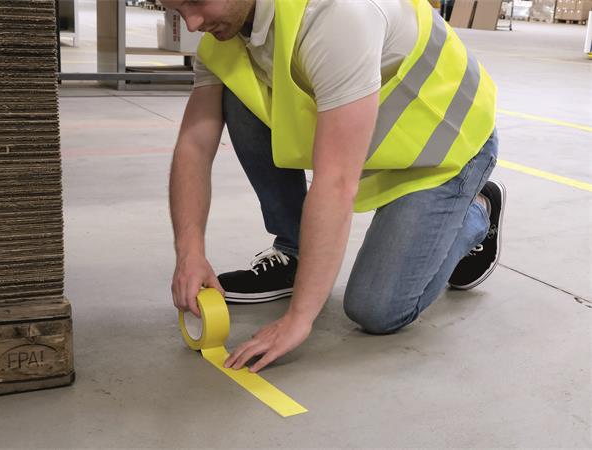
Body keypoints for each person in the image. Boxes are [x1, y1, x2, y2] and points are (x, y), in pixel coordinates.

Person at [164, 0, 507, 374]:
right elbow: (194, 143)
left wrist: (299, 319)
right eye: (177, 9)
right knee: (235, 91)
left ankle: (477, 210)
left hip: (443, 150)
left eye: (196, 1)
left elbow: (336, 181)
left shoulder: (336, 15)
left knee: (377, 309)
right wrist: (189, 253)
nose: (192, 23)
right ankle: (294, 251)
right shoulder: (226, 34)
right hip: (370, 142)